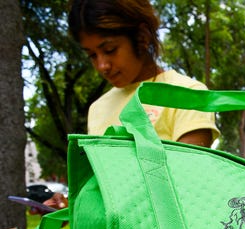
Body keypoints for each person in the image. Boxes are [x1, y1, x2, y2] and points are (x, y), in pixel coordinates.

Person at [44, 0, 219, 210]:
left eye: (109, 49)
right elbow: (101, 189)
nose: (102, 65)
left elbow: (186, 183)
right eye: (92, 55)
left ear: (142, 37)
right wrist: (74, 205)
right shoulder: (97, 109)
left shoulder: (188, 93)